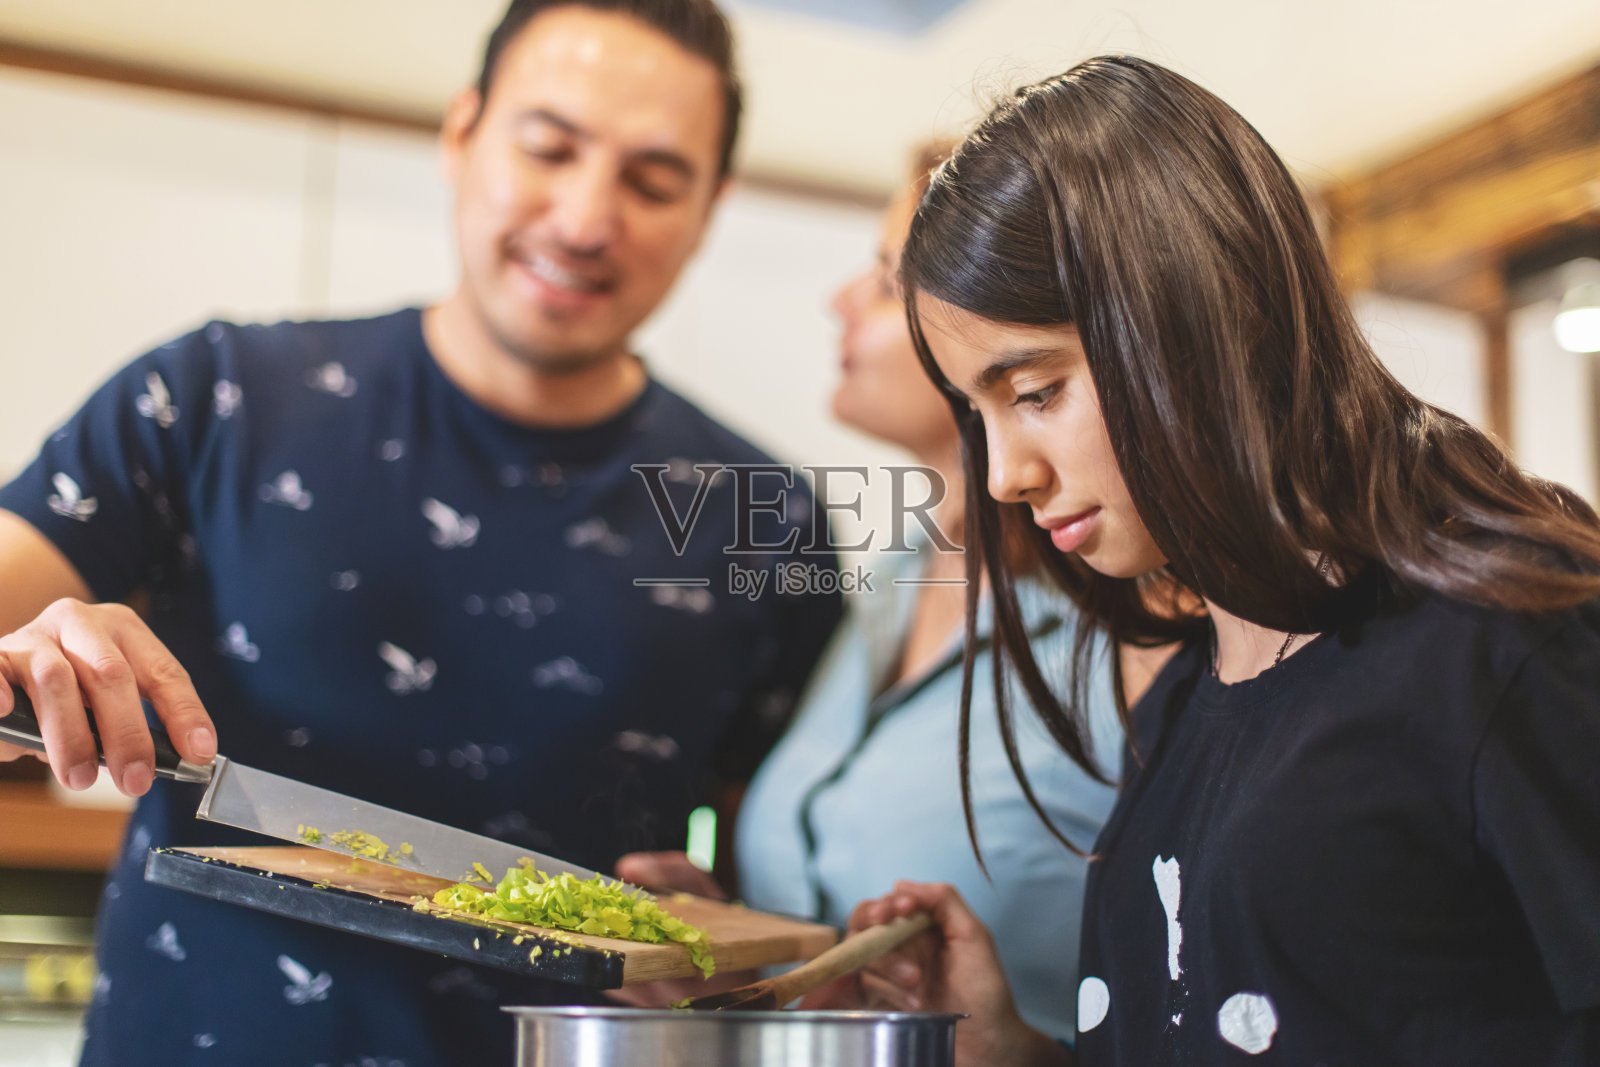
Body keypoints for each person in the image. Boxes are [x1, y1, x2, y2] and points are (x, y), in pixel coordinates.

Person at [0, 2, 840, 1064]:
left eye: (653, 180)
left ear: (710, 207)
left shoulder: (764, 516)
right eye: (548, 148)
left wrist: (712, 935)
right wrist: (37, 650)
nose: (586, 217)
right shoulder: (212, 400)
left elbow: (769, 884)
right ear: (461, 134)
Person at [850, 55, 1600, 1065]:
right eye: (976, 415)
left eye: (1034, 391)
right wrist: (1013, 1047)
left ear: (1190, 314)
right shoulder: (1176, 706)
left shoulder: (1501, 635)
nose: (1003, 476)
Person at [617, 145, 1160, 1042]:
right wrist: (735, 947)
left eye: (881, 280)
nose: (840, 301)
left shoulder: (1145, 631)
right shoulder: (881, 583)